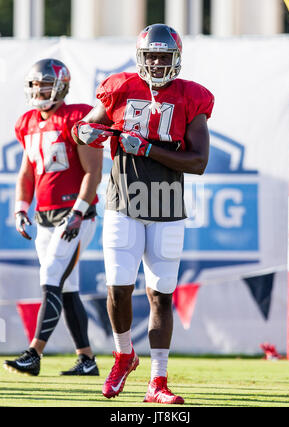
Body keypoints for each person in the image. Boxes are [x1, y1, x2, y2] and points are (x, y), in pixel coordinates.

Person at [72, 24, 214, 404]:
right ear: (140, 57)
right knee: (118, 288)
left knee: (161, 296)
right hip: (124, 203)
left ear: (176, 59)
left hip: (167, 205)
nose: (156, 62)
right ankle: (123, 355)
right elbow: (88, 127)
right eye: (150, 55)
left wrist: (147, 149)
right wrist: (83, 132)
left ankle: (158, 381)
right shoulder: (120, 87)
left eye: (163, 56)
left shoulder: (192, 97)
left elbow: (198, 161)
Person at [3, 58, 103, 376]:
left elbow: (94, 172)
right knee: (67, 286)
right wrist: (21, 207)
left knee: (50, 277)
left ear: (61, 86)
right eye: (34, 84)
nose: (38, 90)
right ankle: (87, 360)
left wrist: (77, 212)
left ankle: (34, 353)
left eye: (45, 83)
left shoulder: (77, 117)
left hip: (75, 215)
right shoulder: (27, 122)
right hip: (44, 216)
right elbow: (27, 172)